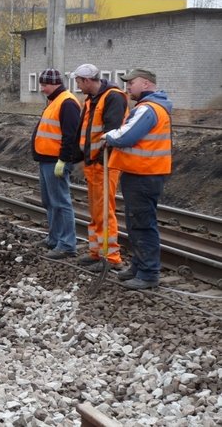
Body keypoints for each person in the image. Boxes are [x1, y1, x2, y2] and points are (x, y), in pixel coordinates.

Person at [102, 68, 172, 290]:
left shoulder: (148, 109)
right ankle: (138, 266)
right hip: (142, 173)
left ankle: (149, 273)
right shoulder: (150, 107)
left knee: (142, 224)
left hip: (145, 174)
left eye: (131, 83)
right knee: (135, 222)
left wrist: (108, 136)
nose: (128, 87)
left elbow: (127, 136)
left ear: (146, 83)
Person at [72, 63, 129, 272]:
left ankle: (111, 256)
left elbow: (111, 132)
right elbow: (86, 131)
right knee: (96, 210)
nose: (77, 86)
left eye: (78, 81)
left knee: (105, 210)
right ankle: (96, 252)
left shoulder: (113, 97)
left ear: (87, 81)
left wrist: (97, 158)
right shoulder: (91, 100)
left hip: (106, 163)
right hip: (94, 162)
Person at [31, 69, 81, 259]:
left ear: (55, 83)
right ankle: (54, 239)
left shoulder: (67, 103)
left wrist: (64, 159)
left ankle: (67, 244)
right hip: (46, 160)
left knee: (61, 202)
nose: (42, 89)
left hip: (55, 161)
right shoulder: (55, 101)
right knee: (50, 202)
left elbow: (71, 135)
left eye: (44, 85)